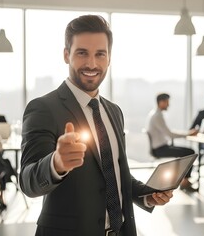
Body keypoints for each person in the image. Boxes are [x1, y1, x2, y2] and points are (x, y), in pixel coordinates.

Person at [20, 15, 173, 236]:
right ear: (66, 55)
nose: (92, 64)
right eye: (82, 53)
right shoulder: (43, 108)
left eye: (100, 54)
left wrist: (146, 196)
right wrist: (56, 163)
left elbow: (115, 174)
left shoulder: (114, 111)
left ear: (109, 58)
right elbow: (27, 180)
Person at [146, 93, 197, 192]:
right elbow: (170, 134)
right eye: (167, 102)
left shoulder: (156, 114)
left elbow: (168, 133)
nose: (168, 105)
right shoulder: (157, 116)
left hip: (161, 147)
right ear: (161, 102)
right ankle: (185, 182)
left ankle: (184, 181)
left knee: (188, 152)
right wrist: (188, 134)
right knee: (189, 152)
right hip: (160, 149)